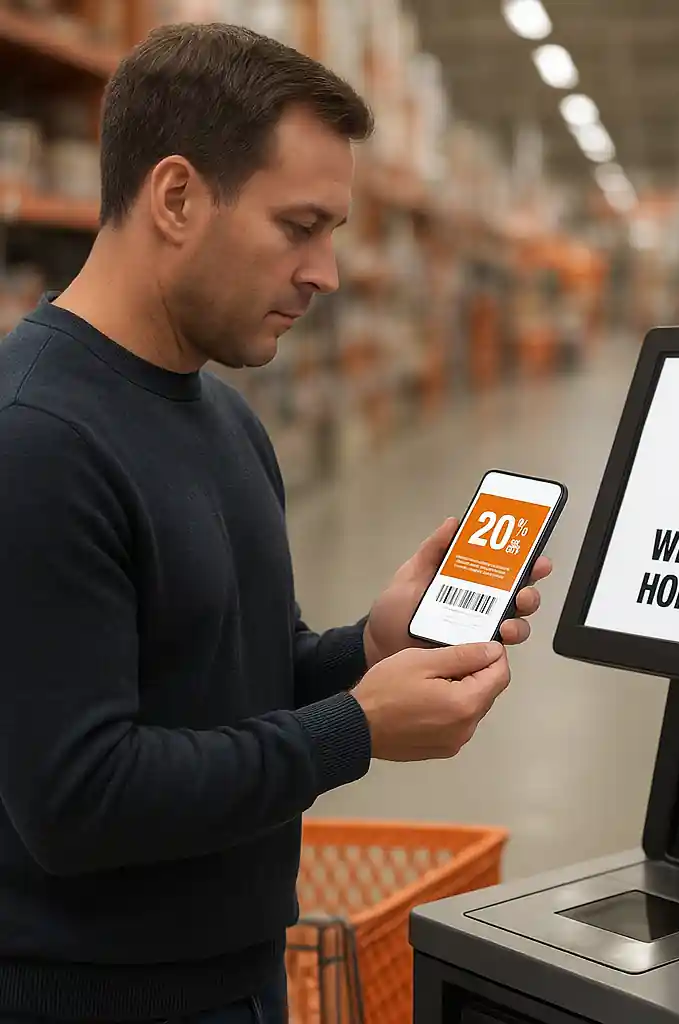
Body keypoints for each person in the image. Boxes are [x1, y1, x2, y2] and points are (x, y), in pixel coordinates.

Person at [0, 21, 552, 1024]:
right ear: (176, 197)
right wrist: (357, 729)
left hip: (242, 980)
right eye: (300, 226)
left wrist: (367, 651)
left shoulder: (224, 417)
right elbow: (78, 799)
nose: (326, 273)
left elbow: (226, 684)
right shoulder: (37, 440)